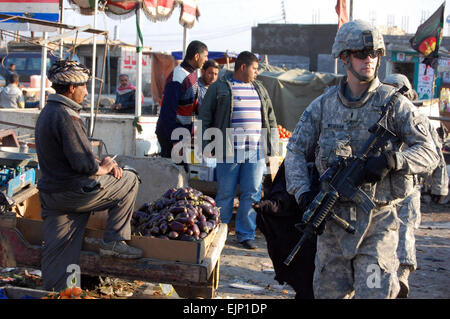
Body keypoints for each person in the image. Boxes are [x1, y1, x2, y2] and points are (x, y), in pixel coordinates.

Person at [285, 20, 439, 298]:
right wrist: (303, 193)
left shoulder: (395, 105)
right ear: (344, 57)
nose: (369, 60)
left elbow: (429, 151)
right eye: (360, 53)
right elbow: (295, 150)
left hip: (377, 226)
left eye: (374, 54)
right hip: (332, 227)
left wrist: (394, 160)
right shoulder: (323, 106)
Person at [35, 60, 143, 291]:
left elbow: (72, 156)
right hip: (72, 192)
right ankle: (114, 241)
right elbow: (83, 164)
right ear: (71, 88)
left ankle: (55, 292)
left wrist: (96, 163)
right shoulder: (68, 116)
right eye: (84, 86)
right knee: (129, 177)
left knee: (59, 250)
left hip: (51, 195)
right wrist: (103, 167)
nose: (86, 92)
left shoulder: (47, 112)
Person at [199, 51, 278, 250]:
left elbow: (270, 117)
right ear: (243, 67)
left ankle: (245, 234)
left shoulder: (259, 88)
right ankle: (219, 233)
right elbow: (205, 117)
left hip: (255, 151)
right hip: (228, 149)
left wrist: (272, 147)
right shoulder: (220, 88)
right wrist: (206, 145)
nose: (257, 73)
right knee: (226, 194)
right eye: (254, 68)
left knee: (252, 193)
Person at [383, 73, 449, 298]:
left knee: (405, 230)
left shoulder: (419, 119)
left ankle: (402, 275)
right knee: (383, 234)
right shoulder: (377, 119)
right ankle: (385, 276)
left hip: (410, 187)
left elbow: (436, 156)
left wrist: (440, 187)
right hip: (381, 191)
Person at [156, 40, 208, 158]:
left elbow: (191, 104)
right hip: (173, 135)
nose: (206, 60)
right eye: (205, 56)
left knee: (187, 170)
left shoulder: (192, 74)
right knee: (172, 173)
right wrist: (175, 141)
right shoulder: (178, 77)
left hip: (184, 133)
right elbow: (167, 113)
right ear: (196, 56)